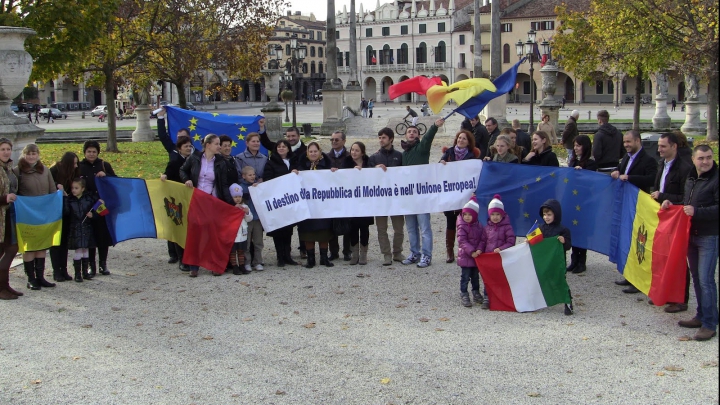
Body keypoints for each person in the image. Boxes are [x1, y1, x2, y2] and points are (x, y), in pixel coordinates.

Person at [664, 145, 718, 341]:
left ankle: (710, 323)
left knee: (706, 280)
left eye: (709, 158)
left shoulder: (716, 179)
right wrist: (671, 204)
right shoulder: (691, 178)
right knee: (696, 278)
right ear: (694, 159)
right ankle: (701, 315)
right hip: (691, 236)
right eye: (701, 158)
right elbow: (687, 204)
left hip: (709, 236)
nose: (705, 161)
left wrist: (697, 212)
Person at [179, 134, 233, 277]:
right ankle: (194, 266)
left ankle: (214, 264)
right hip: (196, 199)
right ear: (208, 145)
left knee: (212, 233)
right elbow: (182, 170)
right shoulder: (195, 158)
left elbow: (224, 184)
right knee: (195, 232)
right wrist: (187, 180)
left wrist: (231, 204)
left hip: (211, 200)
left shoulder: (221, 162)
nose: (219, 147)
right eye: (217, 144)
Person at [651, 132, 693, 313]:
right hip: (663, 215)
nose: (659, 149)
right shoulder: (662, 163)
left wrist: (663, 197)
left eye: (663, 146)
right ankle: (665, 292)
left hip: (677, 217)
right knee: (663, 256)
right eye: (659, 146)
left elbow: (686, 197)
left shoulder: (685, 168)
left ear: (674, 146)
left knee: (678, 258)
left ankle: (681, 299)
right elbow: (657, 186)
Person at [13, 144, 59, 290]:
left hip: (43, 214)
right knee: (29, 247)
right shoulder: (17, 171)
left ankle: (40, 277)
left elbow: (52, 190)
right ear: (23, 154)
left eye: (34, 153)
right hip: (26, 215)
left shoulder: (45, 170)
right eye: (28, 154)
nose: (31, 156)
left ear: (38, 154)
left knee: (42, 245)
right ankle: (31, 278)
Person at [401, 119, 444, 268]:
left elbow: (428, 138)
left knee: (424, 227)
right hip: (408, 195)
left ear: (418, 135)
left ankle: (426, 255)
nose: (411, 133)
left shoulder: (422, 148)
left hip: (421, 194)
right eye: (409, 132)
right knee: (411, 228)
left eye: (414, 132)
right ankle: (414, 252)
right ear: (406, 135)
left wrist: (434, 126)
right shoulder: (404, 153)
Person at [440, 130, 480, 263]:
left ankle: (465, 250)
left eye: (464, 139)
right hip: (450, 193)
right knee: (450, 222)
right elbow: (440, 167)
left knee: (466, 223)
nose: (460, 140)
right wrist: (441, 163)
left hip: (465, 194)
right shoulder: (449, 152)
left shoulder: (472, 156)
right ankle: (449, 251)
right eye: (459, 138)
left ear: (469, 142)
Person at [79, 140, 116, 277]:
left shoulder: (104, 165)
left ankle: (103, 264)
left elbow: (116, 182)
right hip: (86, 205)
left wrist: (106, 176)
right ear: (84, 152)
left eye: (94, 151)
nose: (91, 154)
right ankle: (91, 265)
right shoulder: (80, 166)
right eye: (89, 151)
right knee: (90, 236)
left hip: (101, 205)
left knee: (102, 235)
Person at [295, 142, 334, 268]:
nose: (313, 153)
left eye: (315, 151)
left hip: (323, 205)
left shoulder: (328, 166)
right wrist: (295, 173)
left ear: (320, 152)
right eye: (310, 151)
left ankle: (324, 258)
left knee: (324, 232)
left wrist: (335, 173)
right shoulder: (301, 167)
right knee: (308, 232)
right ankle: (310, 259)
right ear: (307, 153)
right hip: (308, 205)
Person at [369, 128, 405, 266]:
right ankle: (386, 254)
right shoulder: (374, 157)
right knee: (381, 229)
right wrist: (374, 169)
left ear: (391, 139)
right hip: (380, 199)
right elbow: (365, 177)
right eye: (379, 137)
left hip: (396, 199)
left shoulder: (400, 156)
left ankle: (397, 252)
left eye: (383, 137)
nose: (381, 140)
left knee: (399, 229)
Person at [263, 140, 299, 267]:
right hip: (278, 201)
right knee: (279, 229)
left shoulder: (294, 161)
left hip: (291, 200)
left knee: (289, 229)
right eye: (279, 146)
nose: (281, 148)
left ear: (288, 148)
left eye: (284, 146)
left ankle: (288, 255)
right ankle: (280, 257)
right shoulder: (271, 163)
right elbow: (268, 180)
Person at [160, 137, 194, 271]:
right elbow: (166, 176)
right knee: (179, 228)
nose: (188, 148)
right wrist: (163, 177)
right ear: (179, 148)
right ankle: (181, 259)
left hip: (190, 199)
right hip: (177, 200)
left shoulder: (194, 161)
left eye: (190, 146)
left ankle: (190, 256)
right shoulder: (174, 162)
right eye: (185, 146)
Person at [337, 142, 374, 265]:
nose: (353, 152)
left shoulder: (368, 162)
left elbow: (374, 177)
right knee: (353, 228)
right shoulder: (346, 162)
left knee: (364, 228)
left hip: (365, 201)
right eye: (352, 150)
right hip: (351, 201)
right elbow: (341, 177)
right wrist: (351, 172)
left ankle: (363, 254)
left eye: (357, 150)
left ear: (362, 152)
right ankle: (355, 254)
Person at [566, 135, 597, 274]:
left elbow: (591, 181)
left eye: (578, 145)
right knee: (573, 228)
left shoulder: (590, 162)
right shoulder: (572, 161)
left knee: (582, 230)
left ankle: (581, 260)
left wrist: (582, 174)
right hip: (573, 198)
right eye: (574, 145)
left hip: (584, 200)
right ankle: (573, 260)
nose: (575, 148)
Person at [538, 199, 574, 315]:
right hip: (545, 262)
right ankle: (541, 300)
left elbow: (568, 246)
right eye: (544, 214)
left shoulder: (563, 230)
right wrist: (528, 240)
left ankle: (568, 303)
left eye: (549, 215)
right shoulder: (540, 228)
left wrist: (564, 241)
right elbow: (532, 238)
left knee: (560, 281)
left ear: (556, 215)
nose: (546, 217)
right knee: (543, 280)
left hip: (558, 262)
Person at [480, 195, 517, 308]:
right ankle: (487, 297)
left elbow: (511, 241)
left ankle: (501, 298)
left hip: (501, 258)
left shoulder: (507, 227)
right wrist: (479, 250)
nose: (495, 217)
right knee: (488, 278)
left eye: (497, 214)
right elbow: (483, 241)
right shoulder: (487, 228)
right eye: (492, 214)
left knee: (500, 278)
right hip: (489, 258)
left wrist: (501, 248)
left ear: (502, 215)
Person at [49, 152, 80, 282]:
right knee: (56, 242)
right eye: (74, 163)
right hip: (55, 211)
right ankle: (56, 270)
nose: (76, 165)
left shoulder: (73, 173)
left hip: (67, 210)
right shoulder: (54, 170)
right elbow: (48, 185)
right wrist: (57, 186)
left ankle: (64, 269)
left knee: (64, 242)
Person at [64, 178, 97, 282]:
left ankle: (85, 272)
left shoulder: (88, 199)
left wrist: (93, 215)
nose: (73, 190)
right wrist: (65, 199)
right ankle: (77, 274)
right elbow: (66, 212)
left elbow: (101, 210)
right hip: (76, 229)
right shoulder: (70, 200)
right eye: (72, 188)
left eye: (76, 188)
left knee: (86, 250)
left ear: (82, 189)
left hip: (86, 228)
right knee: (78, 250)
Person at [0, 138, 22, 300]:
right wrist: (4, 198)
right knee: (7, 250)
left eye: (8, 149)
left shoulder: (8, 168)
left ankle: (5, 285)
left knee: (12, 248)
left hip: (10, 215)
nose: (6, 152)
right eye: (3, 149)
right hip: (1, 216)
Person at [455, 196, 486, 308]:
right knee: (465, 276)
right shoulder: (462, 226)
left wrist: (479, 249)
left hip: (476, 255)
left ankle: (476, 291)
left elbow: (483, 239)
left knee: (475, 276)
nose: (467, 217)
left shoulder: (479, 226)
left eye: (470, 215)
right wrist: (472, 251)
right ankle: (464, 293)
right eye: (465, 215)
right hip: (466, 256)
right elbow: (462, 241)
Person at [327, 131, 351, 261]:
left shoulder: (349, 156)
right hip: (331, 195)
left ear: (343, 141)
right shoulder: (326, 157)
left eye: (337, 140)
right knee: (332, 224)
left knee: (347, 223)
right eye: (332, 140)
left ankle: (347, 251)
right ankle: (334, 251)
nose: (334, 142)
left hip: (346, 194)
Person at [239, 166, 264, 272]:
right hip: (247, 219)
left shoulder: (258, 186)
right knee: (247, 242)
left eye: (254, 174)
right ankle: (247, 262)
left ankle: (257, 262)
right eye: (250, 175)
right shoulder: (240, 188)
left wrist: (258, 188)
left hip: (257, 218)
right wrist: (252, 190)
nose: (252, 176)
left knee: (258, 242)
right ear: (244, 176)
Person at [228, 183, 252, 275]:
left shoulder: (245, 206)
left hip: (243, 233)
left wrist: (247, 212)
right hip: (233, 233)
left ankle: (242, 265)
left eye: (239, 196)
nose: (237, 198)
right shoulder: (230, 207)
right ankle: (235, 266)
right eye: (235, 197)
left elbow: (249, 219)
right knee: (233, 251)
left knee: (241, 250)